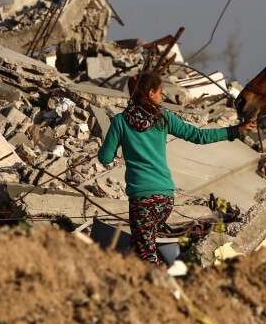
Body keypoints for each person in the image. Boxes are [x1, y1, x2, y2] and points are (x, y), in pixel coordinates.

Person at [97, 71, 256, 268]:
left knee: (145, 253)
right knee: (146, 242)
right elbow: (198, 136)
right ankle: (173, 269)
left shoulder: (120, 121)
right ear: (150, 93)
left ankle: (160, 287)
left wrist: (114, 147)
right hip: (165, 198)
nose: (161, 97)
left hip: (142, 201)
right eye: (160, 93)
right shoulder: (163, 118)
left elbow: (105, 158)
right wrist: (235, 130)